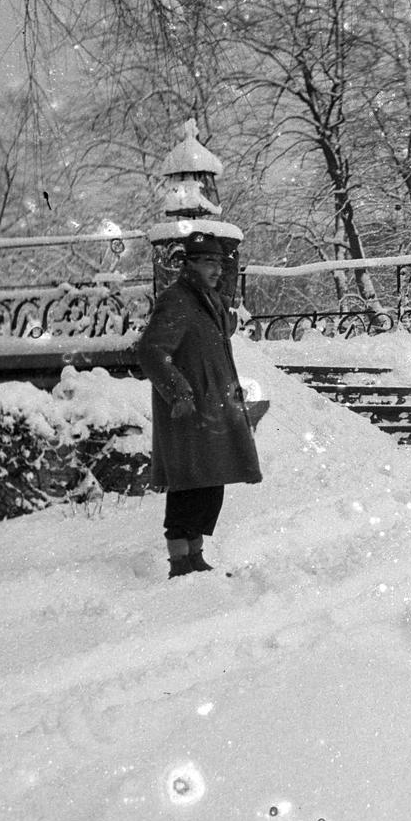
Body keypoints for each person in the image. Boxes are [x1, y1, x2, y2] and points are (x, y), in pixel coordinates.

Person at [136, 231, 262, 578]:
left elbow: (224, 323)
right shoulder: (177, 300)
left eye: (218, 263)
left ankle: (195, 556)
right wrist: (179, 393)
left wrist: (229, 277)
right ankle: (179, 562)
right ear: (189, 264)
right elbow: (151, 351)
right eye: (208, 262)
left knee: (209, 485)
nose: (216, 269)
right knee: (189, 486)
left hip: (213, 410)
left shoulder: (209, 300)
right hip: (189, 412)